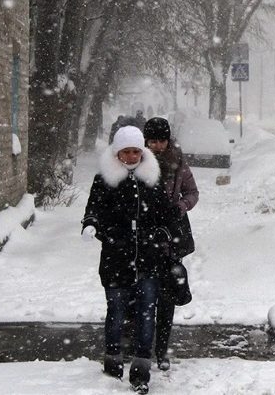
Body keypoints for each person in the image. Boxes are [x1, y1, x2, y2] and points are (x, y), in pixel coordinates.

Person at [81, 126, 178, 394]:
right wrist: (92, 225)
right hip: (116, 259)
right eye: (127, 151)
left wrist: (163, 232)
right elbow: (94, 208)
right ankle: (112, 363)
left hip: (148, 260)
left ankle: (141, 369)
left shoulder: (152, 177)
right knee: (116, 311)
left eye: (136, 151)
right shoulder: (105, 179)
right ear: (117, 152)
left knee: (147, 314)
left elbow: (166, 213)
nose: (132, 156)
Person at [143, 117, 199, 371]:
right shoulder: (137, 161)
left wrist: (179, 207)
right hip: (144, 237)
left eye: (161, 140)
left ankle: (162, 350)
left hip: (171, 236)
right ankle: (140, 346)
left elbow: (192, 193)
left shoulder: (178, 163)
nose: (157, 145)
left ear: (168, 140)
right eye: (152, 140)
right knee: (143, 295)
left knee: (166, 297)